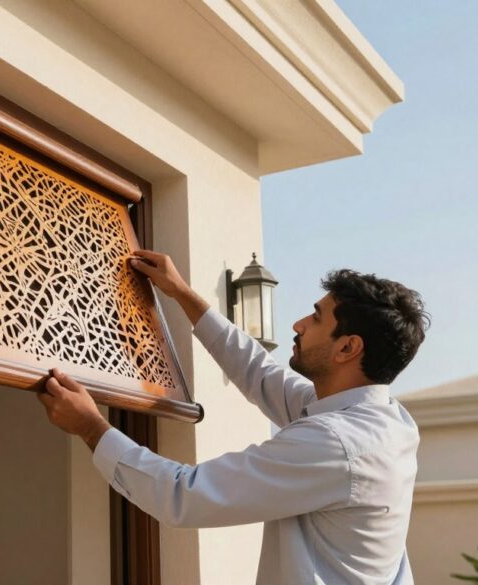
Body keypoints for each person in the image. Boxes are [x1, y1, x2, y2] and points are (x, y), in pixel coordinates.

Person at [37, 249, 430, 585]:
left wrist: (91, 427)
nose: (298, 324)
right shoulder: (384, 420)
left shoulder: (337, 443)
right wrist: (183, 294)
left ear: (347, 347)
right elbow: (260, 374)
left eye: (316, 317)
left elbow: (185, 495)